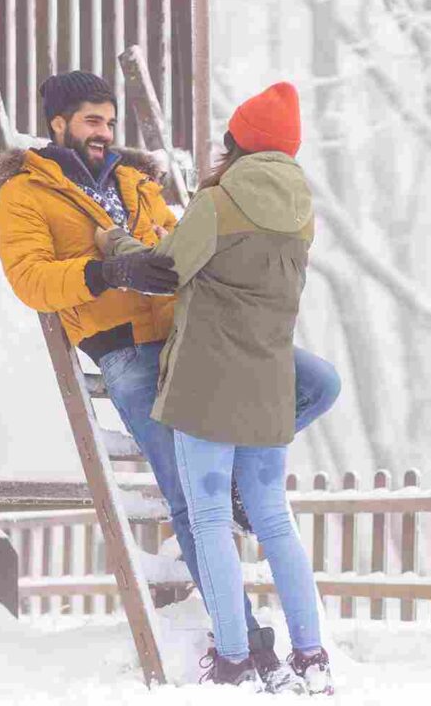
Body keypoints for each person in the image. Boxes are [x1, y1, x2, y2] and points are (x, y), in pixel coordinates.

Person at [0, 72, 339, 693]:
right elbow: (30, 278)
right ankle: (246, 639)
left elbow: (180, 250)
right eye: (93, 121)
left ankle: (235, 493)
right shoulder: (27, 192)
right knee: (188, 498)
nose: (105, 133)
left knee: (315, 382)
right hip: (125, 346)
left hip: (194, 338)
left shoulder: (137, 180)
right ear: (58, 123)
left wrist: (150, 251)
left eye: (110, 121)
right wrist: (103, 272)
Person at [96, 81, 333, 695]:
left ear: (237, 144)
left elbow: (164, 268)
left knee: (207, 521)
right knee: (275, 522)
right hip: (270, 378)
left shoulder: (220, 201)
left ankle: (232, 657)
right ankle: (312, 656)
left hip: (206, 379)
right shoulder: (303, 210)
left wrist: (112, 242)